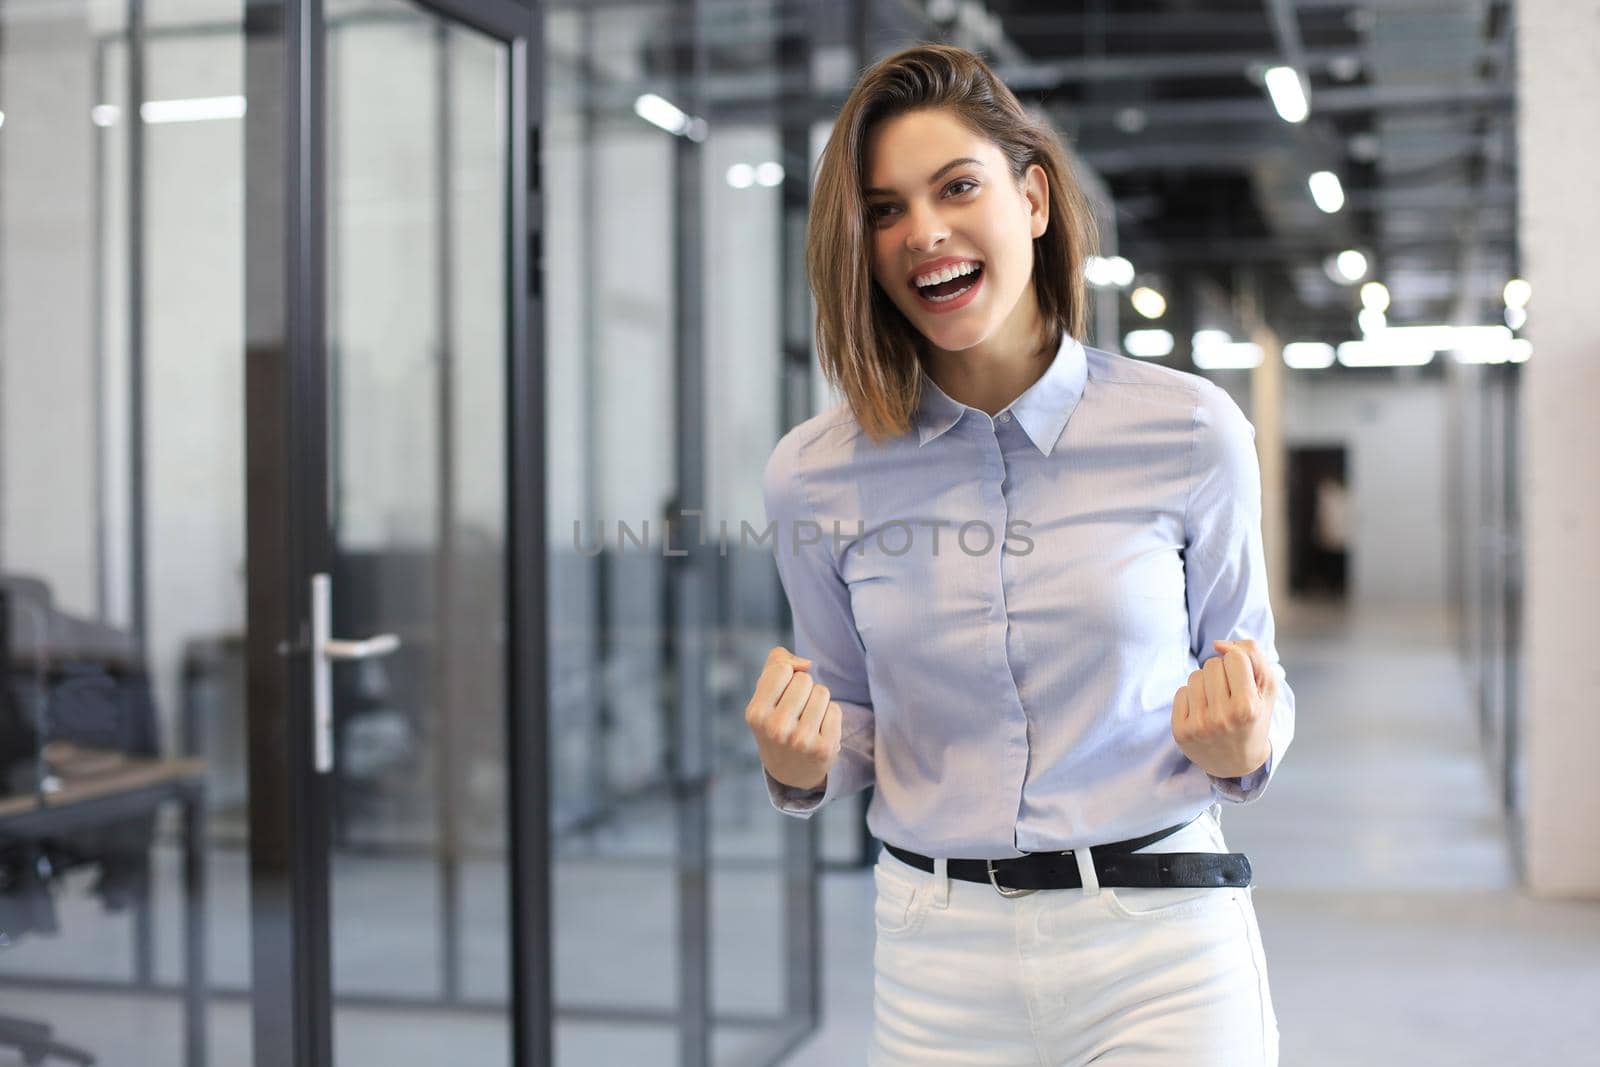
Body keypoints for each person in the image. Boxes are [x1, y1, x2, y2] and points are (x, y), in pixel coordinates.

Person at [743, 43, 1293, 1066]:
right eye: (886, 211)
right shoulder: (813, 474)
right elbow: (850, 711)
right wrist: (800, 763)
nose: (925, 233)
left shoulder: (1188, 430)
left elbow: (1255, 676)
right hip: (936, 957)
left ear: (1033, 198)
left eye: (957, 187)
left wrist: (1248, 742)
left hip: (1159, 943)